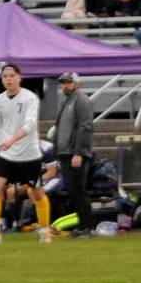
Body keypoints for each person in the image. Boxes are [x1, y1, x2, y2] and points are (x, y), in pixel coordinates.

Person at [0, 64, 52, 245]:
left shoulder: (30, 98)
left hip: (29, 154)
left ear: (19, 78)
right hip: (7, 155)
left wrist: (12, 140)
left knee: (37, 193)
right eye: (5, 76)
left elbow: (30, 124)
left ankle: (45, 231)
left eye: (11, 75)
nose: (8, 79)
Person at [53, 73, 95, 239]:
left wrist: (78, 152)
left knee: (78, 190)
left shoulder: (81, 100)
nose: (65, 86)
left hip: (74, 153)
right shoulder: (66, 101)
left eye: (68, 83)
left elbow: (85, 127)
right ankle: (82, 225)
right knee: (72, 190)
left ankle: (87, 227)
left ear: (77, 83)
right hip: (65, 152)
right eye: (63, 83)